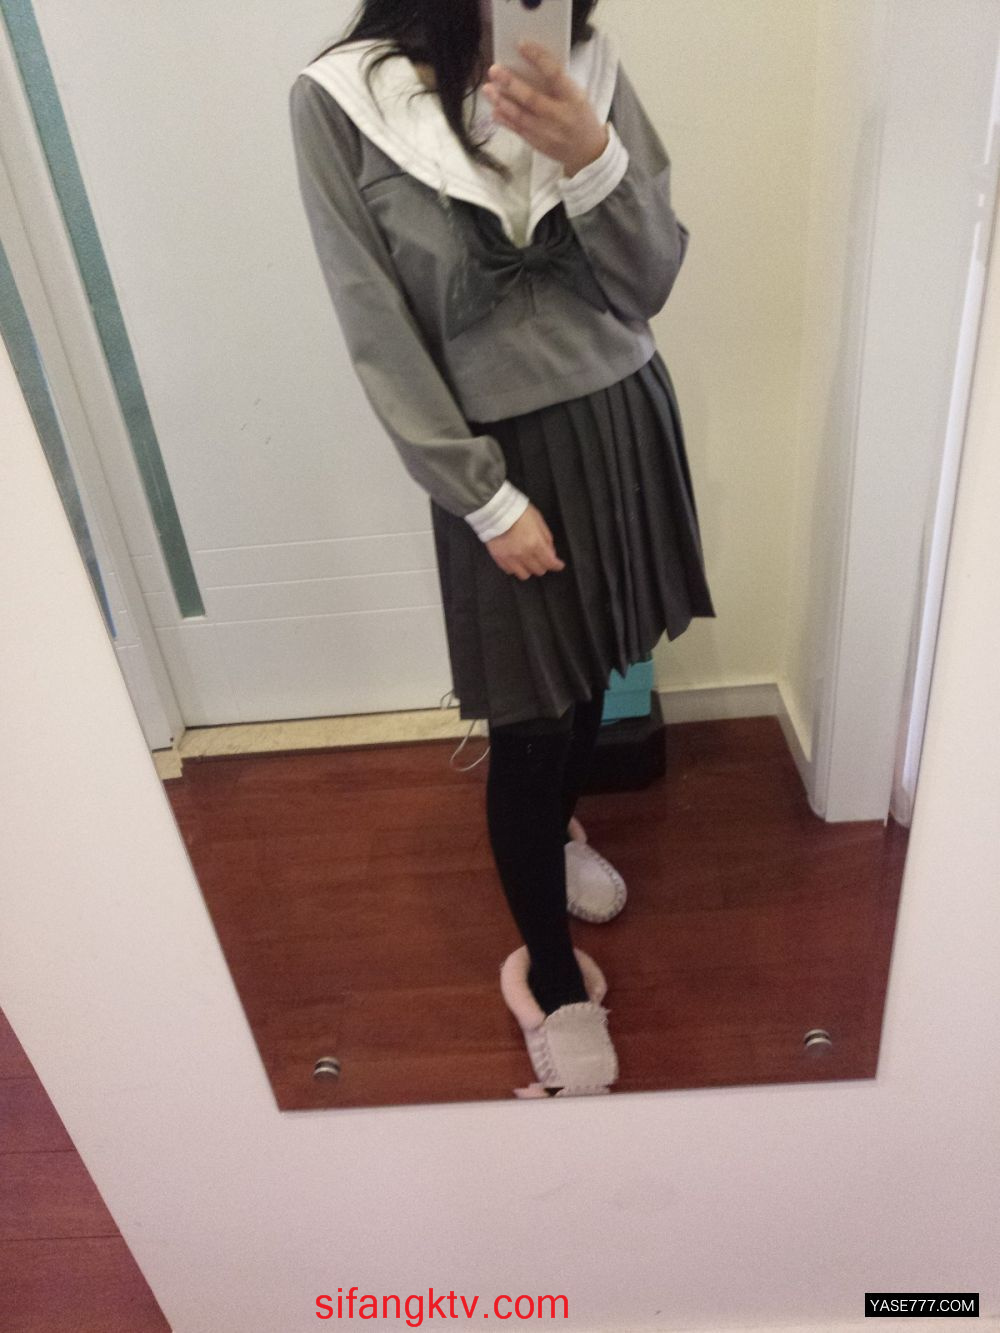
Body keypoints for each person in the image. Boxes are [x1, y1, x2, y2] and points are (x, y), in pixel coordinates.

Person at [288, 0, 716, 1097]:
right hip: (498, 457)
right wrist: (481, 498)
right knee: (530, 721)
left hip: (620, 417)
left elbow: (650, 281)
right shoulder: (342, 101)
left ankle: (562, 835)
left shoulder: (586, 67)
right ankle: (555, 981)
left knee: (597, 670)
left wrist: (595, 157)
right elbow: (373, 323)